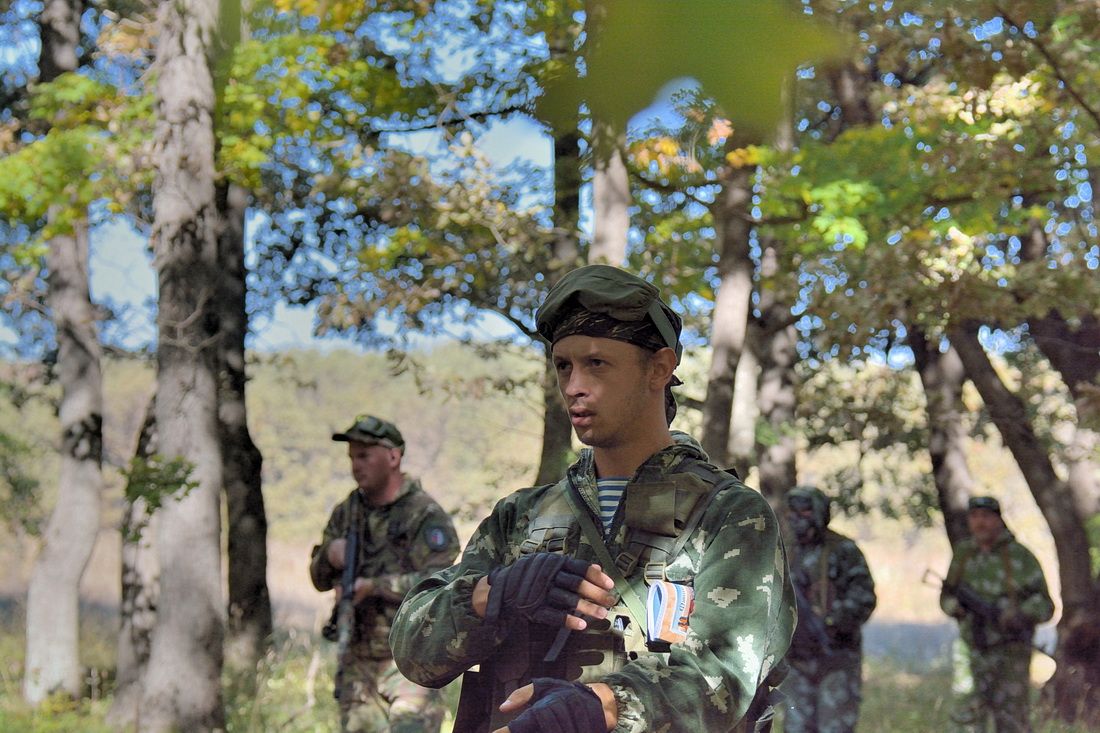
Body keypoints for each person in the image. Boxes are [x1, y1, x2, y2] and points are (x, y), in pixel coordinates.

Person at [389, 264, 795, 733]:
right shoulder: (521, 518)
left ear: (659, 369)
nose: (574, 385)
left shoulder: (728, 515)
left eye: (596, 363)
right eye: (564, 365)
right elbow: (414, 656)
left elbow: (724, 674)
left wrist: (595, 707)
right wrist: (492, 596)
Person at [310, 415, 461, 733]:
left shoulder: (423, 515)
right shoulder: (348, 511)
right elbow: (318, 578)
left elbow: (444, 582)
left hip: (411, 659)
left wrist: (376, 587)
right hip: (359, 662)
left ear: (393, 457)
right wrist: (330, 555)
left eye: (364, 455)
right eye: (351, 457)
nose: (355, 465)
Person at [939, 496, 1054, 733]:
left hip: (1010, 651)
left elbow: (1045, 605)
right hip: (971, 650)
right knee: (966, 718)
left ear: (998, 520)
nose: (980, 523)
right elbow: (947, 595)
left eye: (986, 517)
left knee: (1012, 719)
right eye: (974, 517)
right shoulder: (964, 554)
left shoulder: (1020, 557)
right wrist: (955, 607)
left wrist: (1017, 614)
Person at [779, 486, 877, 733]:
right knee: (796, 727)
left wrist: (831, 622)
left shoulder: (843, 551)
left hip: (835, 659)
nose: (797, 518)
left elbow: (864, 597)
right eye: (793, 511)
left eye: (805, 511)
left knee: (835, 727)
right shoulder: (785, 551)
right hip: (796, 661)